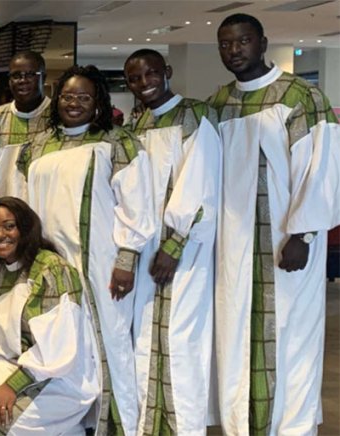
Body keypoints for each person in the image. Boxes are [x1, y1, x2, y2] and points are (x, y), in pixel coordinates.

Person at [208, 13, 340, 435]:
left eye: (243, 41)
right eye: (226, 44)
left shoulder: (301, 96)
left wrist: (303, 234)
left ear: (262, 43)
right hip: (234, 247)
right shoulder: (218, 103)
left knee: (291, 336)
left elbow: (320, 168)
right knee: (236, 336)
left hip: (287, 243)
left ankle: (290, 428)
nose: (234, 50)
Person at [5, 65, 155, 434]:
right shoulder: (35, 146)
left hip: (99, 263)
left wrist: (126, 259)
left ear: (98, 101)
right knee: (57, 340)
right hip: (49, 263)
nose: (74, 103)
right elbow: (20, 204)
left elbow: (136, 205)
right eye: (68, 96)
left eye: (84, 97)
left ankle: (117, 425)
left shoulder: (116, 143)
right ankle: (70, 423)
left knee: (108, 342)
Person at [123, 48, 222, 435]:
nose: (144, 83)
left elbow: (201, 184)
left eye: (150, 74)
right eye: (134, 78)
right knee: (147, 337)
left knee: (181, 340)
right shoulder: (138, 123)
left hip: (184, 248)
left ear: (166, 71)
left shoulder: (195, 115)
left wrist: (175, 244)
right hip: (147, 247)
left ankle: (185, 427)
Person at [0, 197, 99, 434]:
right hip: (11, 363)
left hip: (58, 375)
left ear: (25, 227)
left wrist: (11, 387)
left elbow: (56, 349)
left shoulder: (51, 269)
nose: (0, 235)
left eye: (9, 226)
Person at [0, 51, 52, 196]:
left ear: (43, 78)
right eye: (16, 75)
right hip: (3, 202)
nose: (22, 80)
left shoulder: (57, 116)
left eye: (30, 74)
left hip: (44, 202)